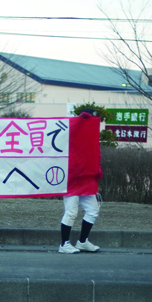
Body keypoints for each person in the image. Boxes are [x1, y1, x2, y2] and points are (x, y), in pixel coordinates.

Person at [58, 107, 103, 254]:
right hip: (72, 178)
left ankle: (82, 242)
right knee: (71, 212)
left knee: (93, 210)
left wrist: (97, 170)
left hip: (86, 179)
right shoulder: (71, 130)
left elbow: (95, 156)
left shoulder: (92, 136)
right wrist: (79, 122)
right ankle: (64, 244)